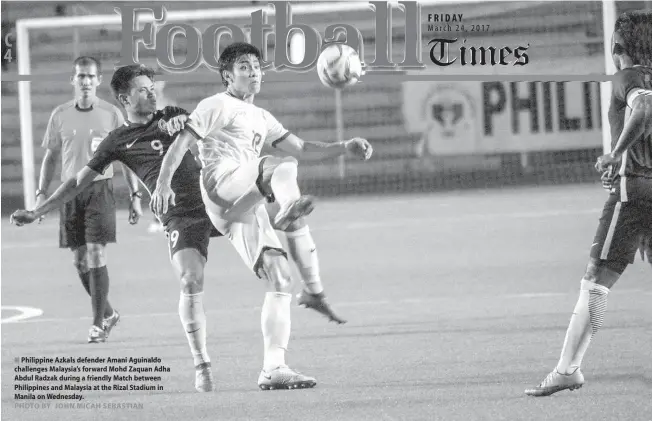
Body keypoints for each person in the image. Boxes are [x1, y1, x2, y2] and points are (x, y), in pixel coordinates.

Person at [151, 42, 372, 390]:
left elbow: (301, 148)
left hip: (243, 201)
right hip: (219, 184)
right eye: (244, 66)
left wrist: (344, 147)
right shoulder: (216, 105)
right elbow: (181, 143)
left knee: (280, 277)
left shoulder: (262, 117)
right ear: (227, 75)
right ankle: (287, 210)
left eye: (257, 66)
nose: (254, 72)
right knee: (278, 167)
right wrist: (163, 184)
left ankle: (273, 368)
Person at [11, 64, 217, 393]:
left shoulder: (172, 114)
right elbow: (78, 180)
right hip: (180, 214)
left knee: (267, 247)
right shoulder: (117, 141)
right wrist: (39, 211)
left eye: (152, 87)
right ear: (124, 98)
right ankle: (201, 362)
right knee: (190, 278)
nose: (151, 92)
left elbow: (199, 131)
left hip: (216, 201)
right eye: (142, 89)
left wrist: (185, 123)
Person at [525, 11, 652, 397]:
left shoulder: (629, 77)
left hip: (635, 190)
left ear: (618, 48)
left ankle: (567, 370)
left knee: (596, 278)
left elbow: (644, 110)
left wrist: (616, 155)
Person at [33, 56, 142, 344]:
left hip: (100, 190)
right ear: (73, 80)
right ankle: (108, 313)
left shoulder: (112, 115)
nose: (85, 81)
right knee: (80, 262)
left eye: (91, 77)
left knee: (95, 252)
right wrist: (41, 194)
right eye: (81, 76)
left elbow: (127, 159)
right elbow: (51, 157)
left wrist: (135, 194)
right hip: (70, 193)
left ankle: (97, 325)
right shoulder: (59, 115)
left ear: (97, 80)